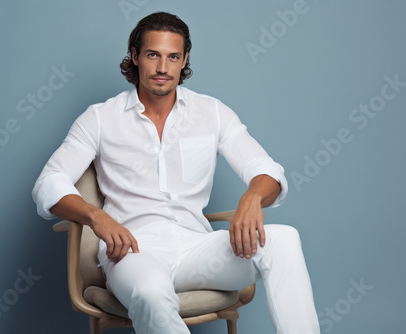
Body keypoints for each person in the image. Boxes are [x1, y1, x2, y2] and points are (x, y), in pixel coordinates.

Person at [32, 11, 320, 334]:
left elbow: (266, 169)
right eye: (153, 55)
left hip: (197, 250)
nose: (162, 68)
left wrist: (253, 195)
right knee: (151, 291)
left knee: (284, 239)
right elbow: (48, 184)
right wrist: (94, 216)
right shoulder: (100, 118)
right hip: (133, 252)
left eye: (173, 57)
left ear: (184, 60)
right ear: (135, 56)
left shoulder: (210, 112)